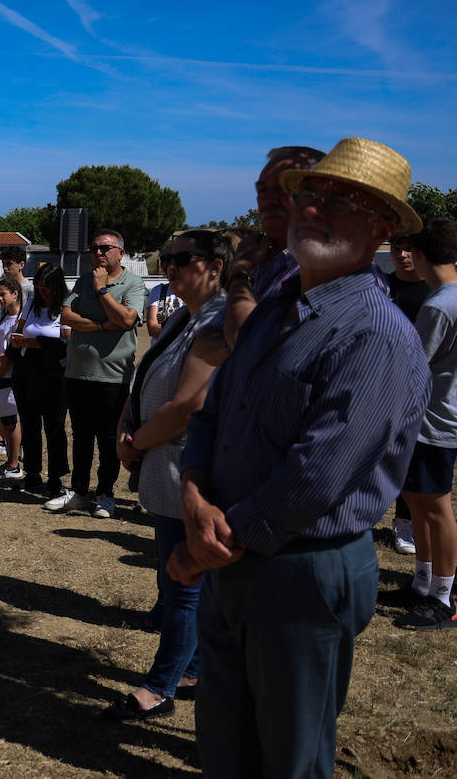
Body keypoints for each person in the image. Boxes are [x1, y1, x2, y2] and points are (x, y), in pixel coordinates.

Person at [168, 138, 428, 777]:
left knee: (290, 760)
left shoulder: (374, 333)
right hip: (235, 556)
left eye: (342, 201)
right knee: (225, 749)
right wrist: (195, 494)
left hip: (302, 571)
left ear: (382, 228)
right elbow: (212, 414)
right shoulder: (275, 308)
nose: (314, 209)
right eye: (309, 194)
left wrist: (204, 545)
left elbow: (315, 479)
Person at [102, 230, 230, 720]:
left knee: (183, 587)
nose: (170, 266)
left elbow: (189, 405)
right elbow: (148, 376)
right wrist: (125, 428)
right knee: (179, 584)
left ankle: (160, 687)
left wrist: (137, 441)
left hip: (187, 467)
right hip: (162, 461)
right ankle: (192, 669)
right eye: (167, 258)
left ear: (216, 266)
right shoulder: (185, 317)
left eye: (182, 259)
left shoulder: (218, 323)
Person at [49, 229, 145, 519]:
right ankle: (79, 492)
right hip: (78, 373)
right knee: (81, 436)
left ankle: (105, 494)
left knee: (107, 439)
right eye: (94, 248)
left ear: (120, 253)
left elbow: (128, 320)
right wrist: (104, 324)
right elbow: (66, 315)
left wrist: (103, 290)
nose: (98, 253)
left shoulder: (134, 283)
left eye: (105, 248)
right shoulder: (82, 279)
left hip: (113, 376)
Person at [394, 217, 457, 630]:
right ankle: (421, 582)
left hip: (434, 420)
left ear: (418, 255)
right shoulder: (447, 296)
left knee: (435, 509)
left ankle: (444, 596)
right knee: (416, 503)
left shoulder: (438, 305)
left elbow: (412, 364)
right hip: (431, 418)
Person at [222, 146, 327, 347]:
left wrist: (240, 271)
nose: (269, 201)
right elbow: (211, 335)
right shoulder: (262, 261)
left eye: (283, 189)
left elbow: (243, 340)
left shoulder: (326, 269)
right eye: (262, 190)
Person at [10, 262, 70, 496]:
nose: (42, 292)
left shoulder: (66, 306)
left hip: (54, 373)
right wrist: (17, 342)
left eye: (46, 288)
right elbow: (21, 328)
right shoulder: (32, 304)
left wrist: (38, 344)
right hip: (27, 370)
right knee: (30, 425)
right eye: (39, 287)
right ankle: (33, 473)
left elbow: (66, 341)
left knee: (54, 427)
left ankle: (56, 477)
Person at [386, 233, 430, 555]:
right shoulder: (383, 286)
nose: (402, 255)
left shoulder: (433, 292)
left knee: (411, 457)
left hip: (419, 389)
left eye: (408, 249)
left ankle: (405, 524)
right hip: (379, 384)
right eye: (396, 248)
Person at [0, 278, 24, 480]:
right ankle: (10, 461)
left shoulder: (20, 320)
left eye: (3, 295)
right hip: (1, 373)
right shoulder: (3, 318)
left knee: (12, 421)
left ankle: (14, 464)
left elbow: (13, 356)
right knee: (7, 421)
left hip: (10, 376)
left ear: (15, 294)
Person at [144, 257, 185, 341]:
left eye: (178, 263)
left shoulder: (197, 292)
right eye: (168, 263)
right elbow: (152, 328)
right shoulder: (159, 290)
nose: (171, 267)